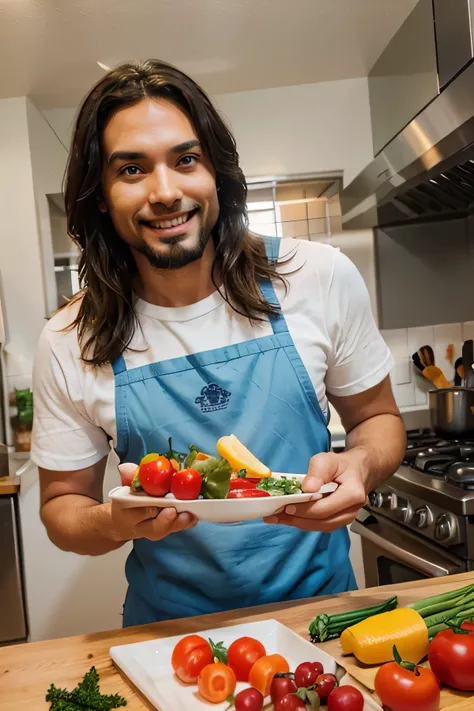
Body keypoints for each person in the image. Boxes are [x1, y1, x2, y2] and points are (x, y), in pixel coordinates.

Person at [31, 59, 405, 626]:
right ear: (101, 196)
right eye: (131, 169)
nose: (165, 192)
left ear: (217, 174)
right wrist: (113, 521)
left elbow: (379, 420)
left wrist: (359, 465)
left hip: (323, 622)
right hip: (170, 638)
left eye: (186, 160)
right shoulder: (68, 338)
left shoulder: (316, 277)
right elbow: (62, 509)